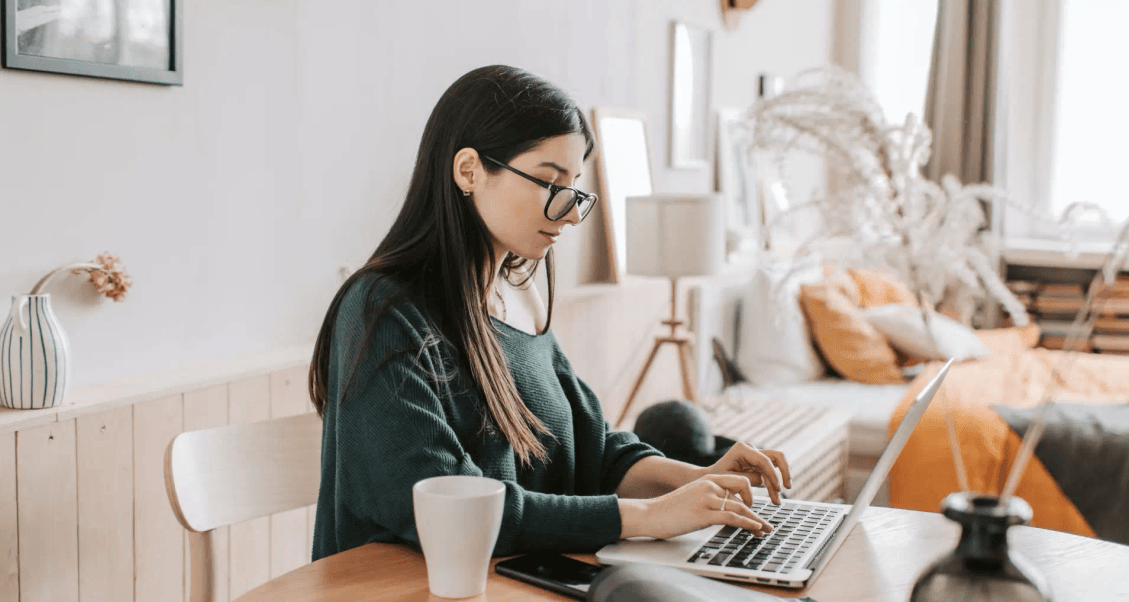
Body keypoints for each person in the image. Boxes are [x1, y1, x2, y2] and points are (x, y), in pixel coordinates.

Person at [307, 65, 791, 560]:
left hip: (518, 581)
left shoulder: (520, 296)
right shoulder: (382, 313)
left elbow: (594, 450)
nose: (567, 212)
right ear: (469, 170)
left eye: (575, 189)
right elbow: (451, 509)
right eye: (548, 182)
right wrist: (647, 518)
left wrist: (703, 481)